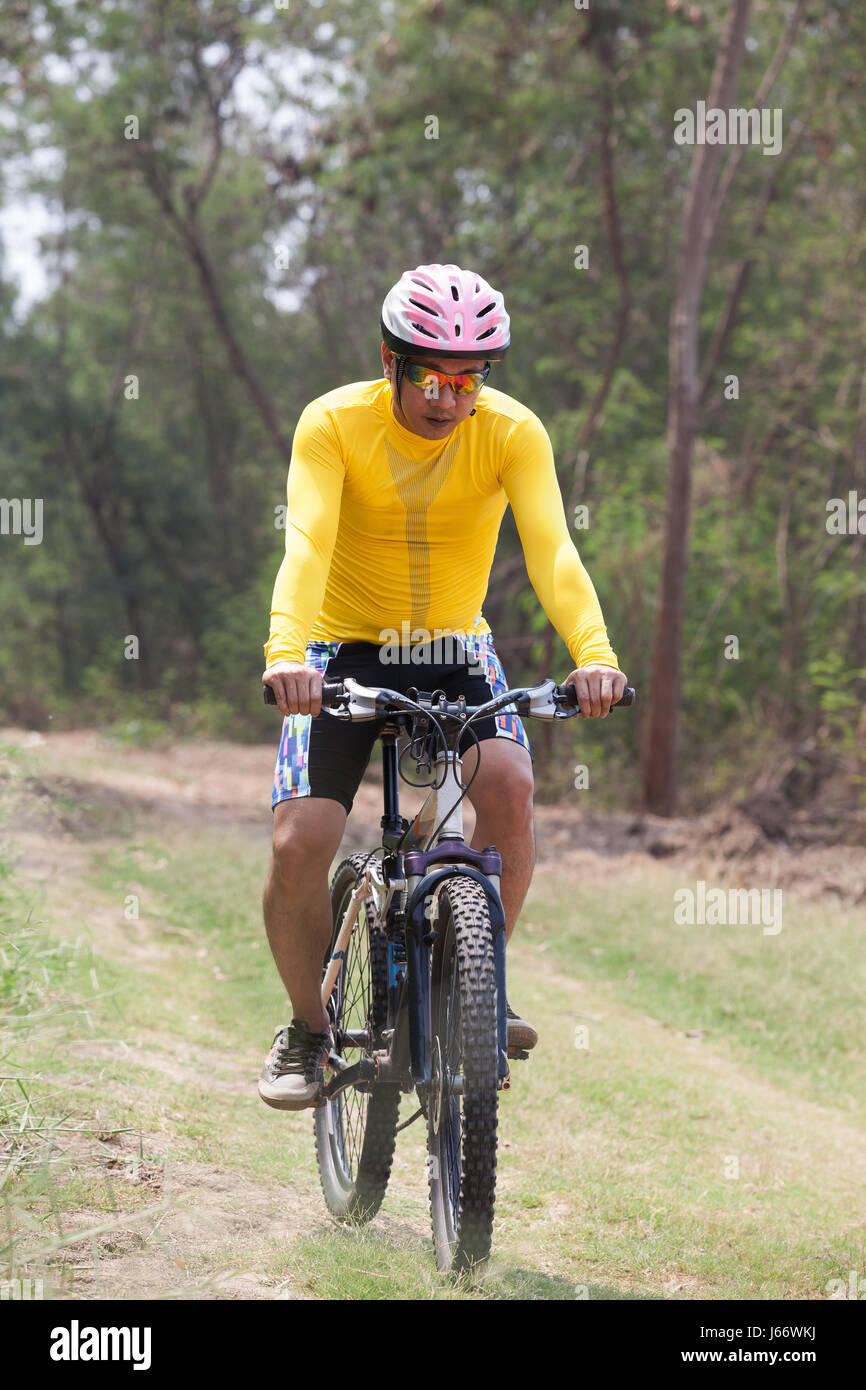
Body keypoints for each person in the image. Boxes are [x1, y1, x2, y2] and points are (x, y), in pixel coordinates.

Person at [258, 262, 627, 1109]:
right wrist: (287, 654)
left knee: (510, 784)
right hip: (339, 649)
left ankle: (476, 980)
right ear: (389, 362)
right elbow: (306, 544)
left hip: (455, 647)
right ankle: (309, 1031)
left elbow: (553, 552)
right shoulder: (333, 424)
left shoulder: (512, 433)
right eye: (430, 376)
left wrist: (594, 652)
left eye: (469, 380)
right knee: (299, 843)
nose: (449, 398)